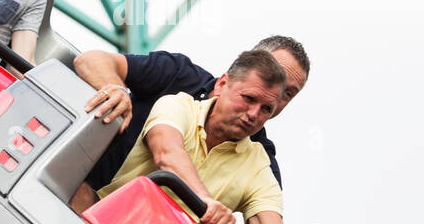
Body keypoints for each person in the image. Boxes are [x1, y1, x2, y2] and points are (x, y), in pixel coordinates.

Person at [95, 49, 287, 224]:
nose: (254, 114)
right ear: (221, 85)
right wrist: (205, 201)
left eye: (266, 109)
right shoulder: (177, 106)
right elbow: (168, 154)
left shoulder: (258, 165)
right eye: (248, 98)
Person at [73, 35, 310, 197]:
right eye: (271, 76)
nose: (274, 94)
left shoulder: (260, 159)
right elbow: (91, 60)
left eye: (287, 93)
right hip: (80, 189)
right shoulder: (179, 76)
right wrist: (116, 89)